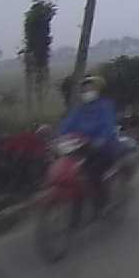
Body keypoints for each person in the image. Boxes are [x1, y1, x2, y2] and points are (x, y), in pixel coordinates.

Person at [57, 74, 119, 211]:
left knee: (93, 173)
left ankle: (102, 203)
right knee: (70, 174)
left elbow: (108, 126)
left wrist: (101, 139)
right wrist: (59, 138)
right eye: (84, 90)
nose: (87, 92)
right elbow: (67, 125)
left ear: (97, 90)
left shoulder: (106, 106)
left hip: (104, 149)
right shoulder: (80, 109)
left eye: (90, 89)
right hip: (82, 148)